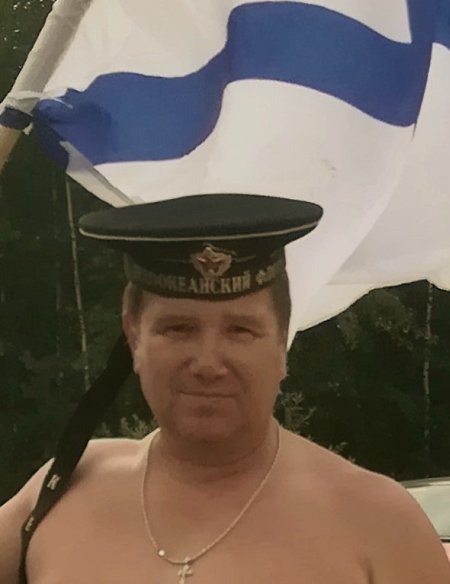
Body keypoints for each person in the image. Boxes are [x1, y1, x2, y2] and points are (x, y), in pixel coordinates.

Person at [1, 194, 449, 584]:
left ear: (281, 341)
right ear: (134, 335)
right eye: (178, 328)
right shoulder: (58, 494)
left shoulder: (377, 525)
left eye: (240, 331)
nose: (208, 363)